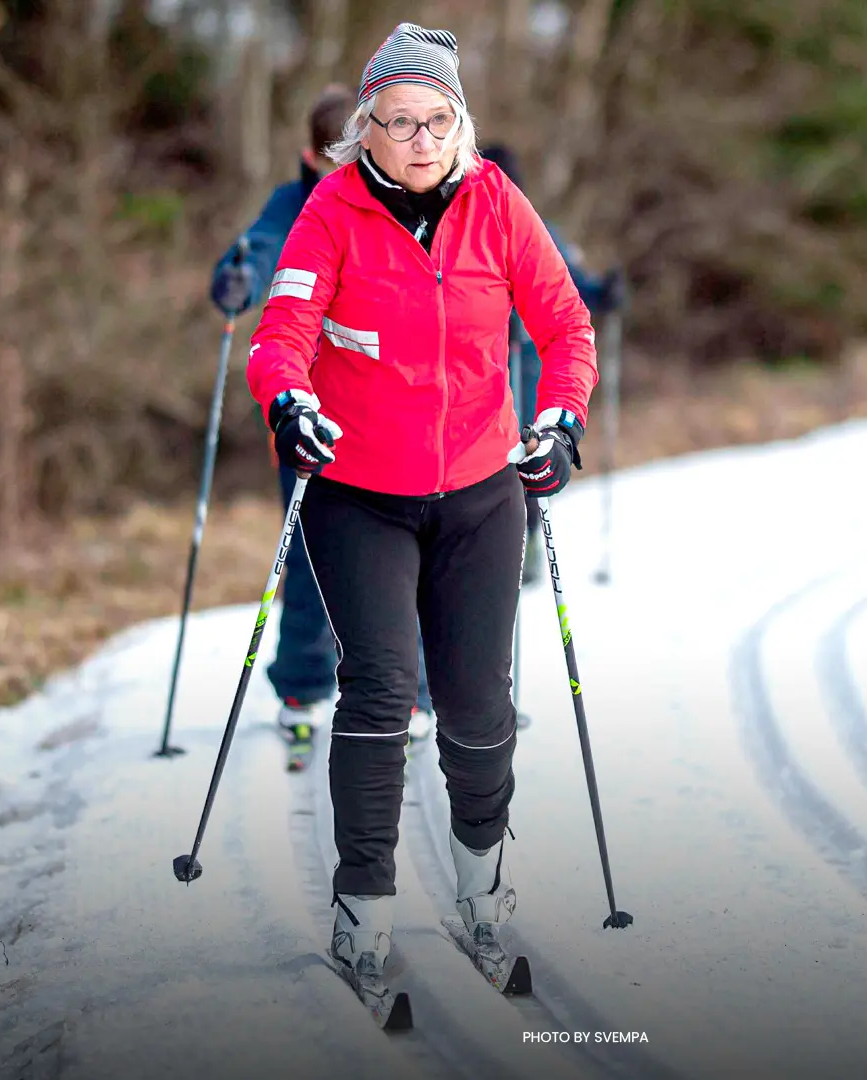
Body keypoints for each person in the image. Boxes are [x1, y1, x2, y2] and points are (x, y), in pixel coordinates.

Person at [244, 23, 598, 983]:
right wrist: (289, 399)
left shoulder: (496, 202)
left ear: (460, 122)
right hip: (360, 493)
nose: (418, 137)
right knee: (383, 684)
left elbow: (565, 324)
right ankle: (364, 908)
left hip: (481, 490)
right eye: (397, 121)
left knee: (480, 703)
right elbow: (283, 330)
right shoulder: (330, 210)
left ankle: (484, 893)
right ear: (365, 130)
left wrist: (560, 419)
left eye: (436, 118)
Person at [209, 86, 436, 750]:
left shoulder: (410, 198)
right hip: (312, 413)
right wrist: (238, 281)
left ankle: (413, 691)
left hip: (393, 410)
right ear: (312, 157)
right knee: (313, 553)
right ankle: (305, 685)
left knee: (408, 552)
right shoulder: (298, 203)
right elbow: (259, 247)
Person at [475, 143, 624, 583]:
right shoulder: (464, 227)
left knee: (529, 446)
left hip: (529, 360)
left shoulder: (536, 229)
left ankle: (529, 533)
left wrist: (604, 293)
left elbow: (570, 288)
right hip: (487, 364)